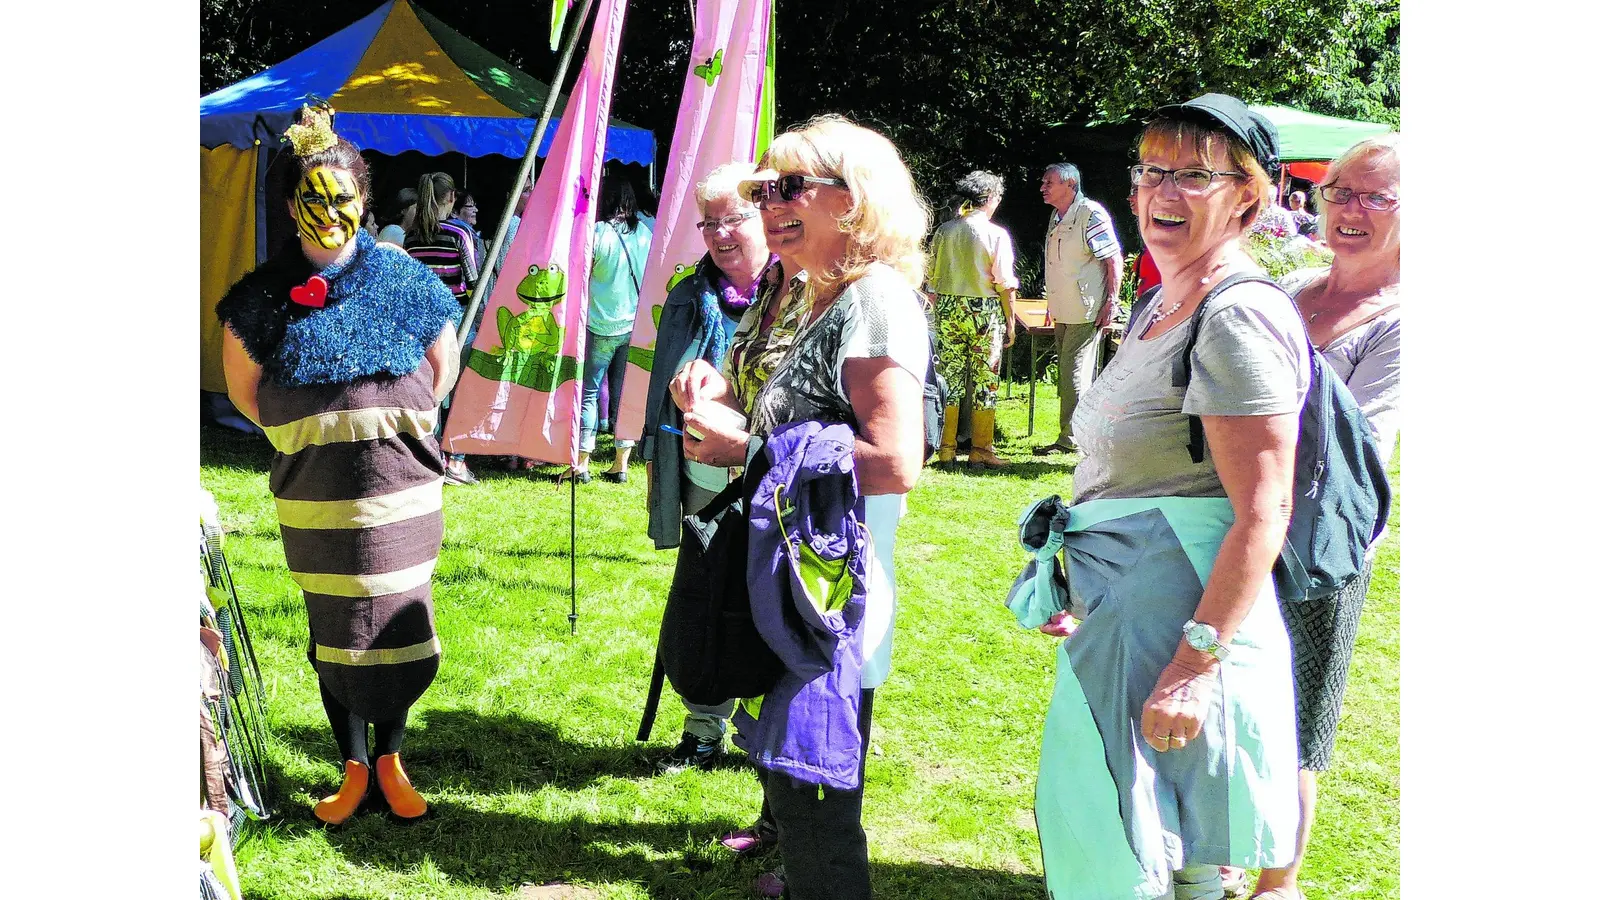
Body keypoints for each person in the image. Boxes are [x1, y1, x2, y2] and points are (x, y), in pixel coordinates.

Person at [1028, 93, 1306, 900]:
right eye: (1152, 171)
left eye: (1194, 175)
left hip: (1182, 625)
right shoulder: (1160, 299)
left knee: (1165, 846)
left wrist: (1193, 664)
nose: (1163, 193)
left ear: (1247, 196)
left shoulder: (1236, 315)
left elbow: (1265, 509)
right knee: (1143, 838)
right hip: (1132, 612)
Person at [668, 115, 930, 900]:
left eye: (787, 188)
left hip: (833, 595)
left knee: (815, 793)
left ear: (855, 201)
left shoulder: (875, 300)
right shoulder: (815, 292)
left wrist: (741, 449)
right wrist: (728, 404)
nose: (768, 204)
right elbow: (794, 414)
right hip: (800, 577)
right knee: (793, 772)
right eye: (761, 190)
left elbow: (894, 462)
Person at [216, 104, 459, 827]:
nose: (328, 212)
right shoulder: (261, 296)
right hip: (315, 498)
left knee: (398, 617)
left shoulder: (403, 278)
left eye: (341, 197)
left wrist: (387, 430)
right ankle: (352, 762)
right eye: (312, 198)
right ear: (291, 205)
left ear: (364, 201)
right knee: (337, 623)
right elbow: (245, 390)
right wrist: (315, 436)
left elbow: (441, 366)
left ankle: (392, 756)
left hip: (401, 492)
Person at [1248, 134, 1401, 900]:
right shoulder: (1293, 289)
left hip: (1323, 543)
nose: (1351, 209)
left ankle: (1279, 884)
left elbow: (1357, 440)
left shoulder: (1405, 320)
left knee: (1299, 719)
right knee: (1230, 690)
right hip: (1241, 523)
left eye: (1377, 196)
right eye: (1341, 190)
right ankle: (1208, 866)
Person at [640, 162, 780, 768]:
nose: (721, 235)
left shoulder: (798, 295)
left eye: (734, 219)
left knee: (774, 591)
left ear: (766, 219)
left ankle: (768, 723)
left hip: (775, 471)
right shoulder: (690, 295)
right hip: (705, 473)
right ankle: (704, 725)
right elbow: (657, 398)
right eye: (708, 223)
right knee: (704, 594)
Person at [925, 170, 1018, 468]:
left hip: (949, 308)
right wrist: (1011, 322)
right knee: (985, 381)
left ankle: (946, 449)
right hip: (984, 311)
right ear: (989, 198)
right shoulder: (996, 234)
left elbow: (931, 279)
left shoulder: (945, 230)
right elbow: (1005, 283)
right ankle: (981, 449)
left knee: (949, 378)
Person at [564, 178, 654, 483]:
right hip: (634, 326)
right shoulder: (644, 232)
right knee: (625, 394)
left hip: (600, 325)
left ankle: (582, 463)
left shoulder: (598, 233)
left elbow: (581, 275)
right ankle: (621, 464)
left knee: (589, 391)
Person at [1034, 162, 1122, 456]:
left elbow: (1113, 260)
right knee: (1067, 373)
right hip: (1063, 308)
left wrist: (1111, 302)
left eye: (1049, 182)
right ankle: (1072, 435)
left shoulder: (1090, 213)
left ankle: (1071, 439)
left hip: (1086, 310)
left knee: (1074, 374)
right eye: (1044, 182)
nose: (1043, 187)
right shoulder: (1056, 215)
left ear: (1070, 185)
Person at [407, 172, 481, 486]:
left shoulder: (412, 236)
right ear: (451, 198)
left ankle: (431, 456)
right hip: (456, 321)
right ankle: (457, 461)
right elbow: (474, 280)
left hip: (423, 326)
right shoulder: (459, 233)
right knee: (462, 391)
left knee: (432, 390)